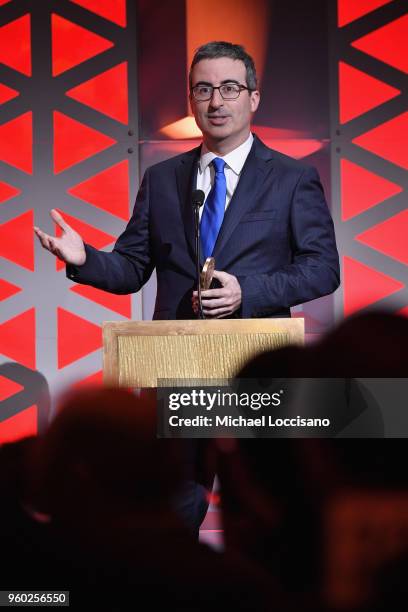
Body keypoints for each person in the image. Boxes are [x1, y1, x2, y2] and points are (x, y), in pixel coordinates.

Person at [34, 41, 340, 528]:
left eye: (230, 88)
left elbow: (323, 268)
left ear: (253, 98)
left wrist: (248, 292)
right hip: (177, 370)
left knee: (267, 509)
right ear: (192, 101)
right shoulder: (161, 179)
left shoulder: (291, 178)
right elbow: (133, 267)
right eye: (204, 90)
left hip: (256, 370)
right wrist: (85, 259)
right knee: (173, 510)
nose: (216, 101)